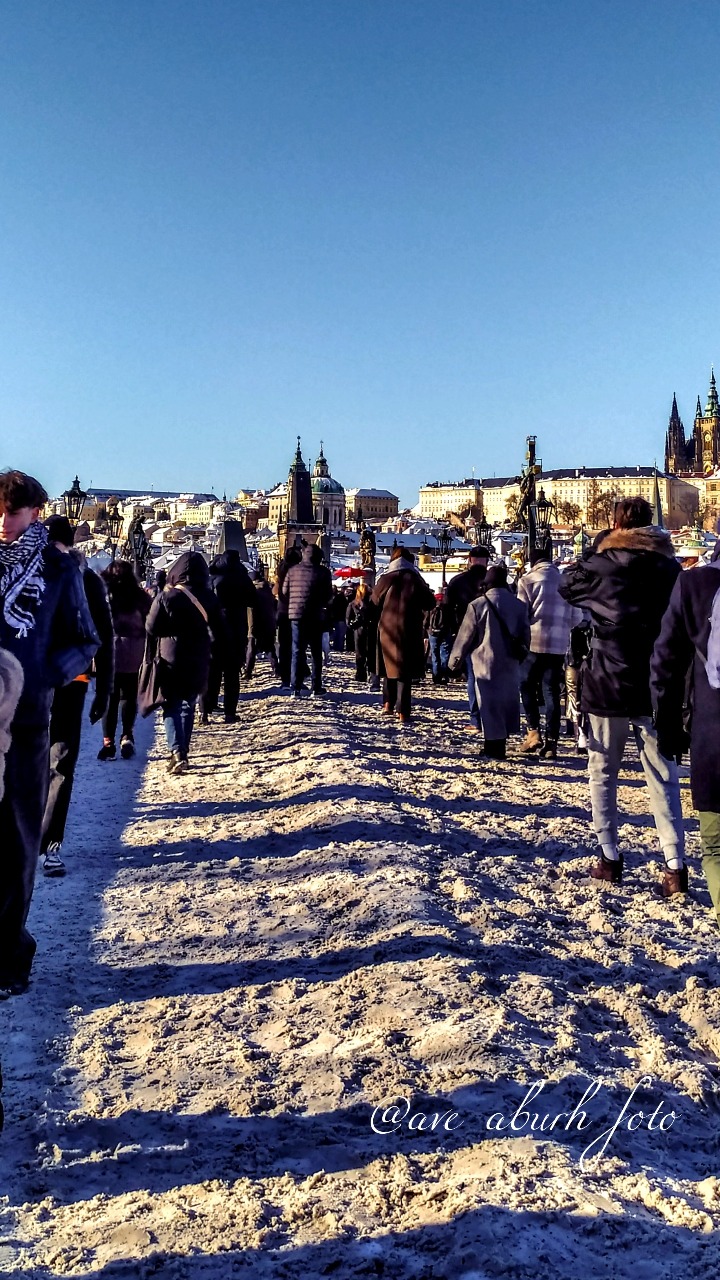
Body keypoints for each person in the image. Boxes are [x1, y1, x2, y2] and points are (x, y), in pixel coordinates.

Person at [0, 470, 99, 995]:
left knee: (17, 842)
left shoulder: (59, 570)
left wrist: (38, 676)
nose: (3, 521)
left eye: (12, 512)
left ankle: (10, 953)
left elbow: (85, 640)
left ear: (35, 512)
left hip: (26, 721)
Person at [558, 497, 684, 889]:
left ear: (616, 525)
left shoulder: (600, 564)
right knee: (663, 775)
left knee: (603, 771)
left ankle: (609, 856)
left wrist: (596, 548)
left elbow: (566, 586)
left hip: (607, 679)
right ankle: (674, 864)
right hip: (656, 681)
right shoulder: (669, 568)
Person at [39, 516, 114, 877]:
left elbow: (104, 636)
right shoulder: (84, 578)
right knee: (58, 764)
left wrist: (105, 689)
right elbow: (105, 638)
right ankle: (46, 845)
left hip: (46, 681)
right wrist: (105, 690)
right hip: (65, 680)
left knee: (51, 762)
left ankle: (44, 842)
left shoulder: (73, 577)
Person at [651, 544, 720, 908]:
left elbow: (665, 663)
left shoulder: (695, 585)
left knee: (716, 845)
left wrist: (668, 725)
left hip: (713, 734)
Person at [145, 551, 221, 774]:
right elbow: (220, 628)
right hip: (198, 654)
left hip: (171, 655)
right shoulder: (209, 597)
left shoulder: (167, 596)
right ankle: (183, 750)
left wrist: (170, 633)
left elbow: (151, 627)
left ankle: (177, 752)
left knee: (171, 704)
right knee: (189, 702)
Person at [448, 563, 530, 759]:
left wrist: (454, 662)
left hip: (484, 661)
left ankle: (493, 747)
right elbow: (526, 636)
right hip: (510, 662)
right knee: (505, 703)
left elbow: (465, 637)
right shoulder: (519, 606)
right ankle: (498, 744)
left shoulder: (477, 605)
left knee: (488, 704)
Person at [516, 546, 583, 760]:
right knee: (551, 691)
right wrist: (562, 628)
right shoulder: (565, 582)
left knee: (526, 684)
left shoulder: (527, 580)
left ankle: (533, 731)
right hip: (558, 645)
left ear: (533, 562)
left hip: (533, 642)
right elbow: (577, 618)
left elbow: (521, 614)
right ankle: (552, 742)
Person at [371, 547, 435, 723]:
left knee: (388, 666)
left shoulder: (386, 578)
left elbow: (374, 600)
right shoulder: (415, 579)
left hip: (387, 628)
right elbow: (430, 603)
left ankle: (387, 704)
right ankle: (403, 711)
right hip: (410, 628)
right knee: (405, 672)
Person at [98, 560, 151, 760]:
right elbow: (150, 622)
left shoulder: (103, 596)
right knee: (129, 694)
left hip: (109, 652)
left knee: (109, 698)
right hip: (134, 651)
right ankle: (127, 735)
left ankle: (108, 743)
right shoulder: (141, 597)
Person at [203, 549, 255, 723]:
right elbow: (252, 600)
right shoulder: (242, 577)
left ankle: (207, 708)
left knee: (212, 670)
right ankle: (230, 712)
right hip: (236, 628)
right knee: (232, 673)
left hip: (214, 628)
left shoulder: (212, 576)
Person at [446, 546, 491, 730]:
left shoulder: (457, 581)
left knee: (473, 676)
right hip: (492, 632)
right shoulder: (494, 580)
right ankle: (491, 716)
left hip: (466, 633)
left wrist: (453, 632)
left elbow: (447, 608)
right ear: (487, 561)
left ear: (470, 560)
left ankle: (476, 719)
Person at [281, 543, 333, 697]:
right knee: (316, 652)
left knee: (297, 651)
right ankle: (316, 687)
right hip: (315, 615)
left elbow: (284, 592)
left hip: (296, 614)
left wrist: (295, 603)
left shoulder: (292, 570)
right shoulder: (323, 572)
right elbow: (328, 595)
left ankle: (295, 688)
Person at [275, 543, 302, 686]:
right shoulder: (296, 572)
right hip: (295, 610)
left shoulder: (281, 570)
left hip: (282, 610)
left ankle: (285, 676)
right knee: (297, 646)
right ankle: (296, 675)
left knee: (284, 645)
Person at [244, 568, 279, 680]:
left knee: (251, 650)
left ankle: (248, 672)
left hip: (255, 625)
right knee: (270, 649)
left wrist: (251, 628)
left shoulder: (253, 592)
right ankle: (276, 669)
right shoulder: (268, 590)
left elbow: (251, 611)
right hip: (269, 624)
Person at [426, 588, 454, 684]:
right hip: (445, 632)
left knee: (435, 655)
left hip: (433, 633)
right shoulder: (447, 604)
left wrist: (427, 629)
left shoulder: (431, 604)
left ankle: (436, 676)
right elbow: (452, 619)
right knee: (445, 654)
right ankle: (444, 676)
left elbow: (426, 619)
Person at [346, 582, 372, 682]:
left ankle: (361, 674)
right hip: (370, 630)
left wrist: (354, 625)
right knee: (370, 653)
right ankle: (370, 675)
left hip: (359, 631)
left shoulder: (353, 604)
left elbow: (348, 621)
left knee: (360, 654)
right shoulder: (372, 604)